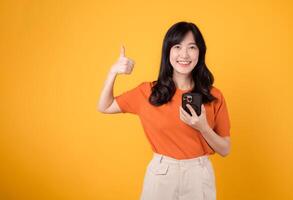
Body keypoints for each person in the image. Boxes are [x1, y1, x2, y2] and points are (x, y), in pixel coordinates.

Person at [97, 21, 231, 200]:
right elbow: (104, 106)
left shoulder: (213, 95)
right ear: (168, 51)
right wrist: (113, 72)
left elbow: (225, 149)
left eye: (191, 47)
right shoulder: (148, 92)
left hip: (199, 175)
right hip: (162, 174)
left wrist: (203, 127)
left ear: (200, 52)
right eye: (177, 46)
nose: (184, 54)